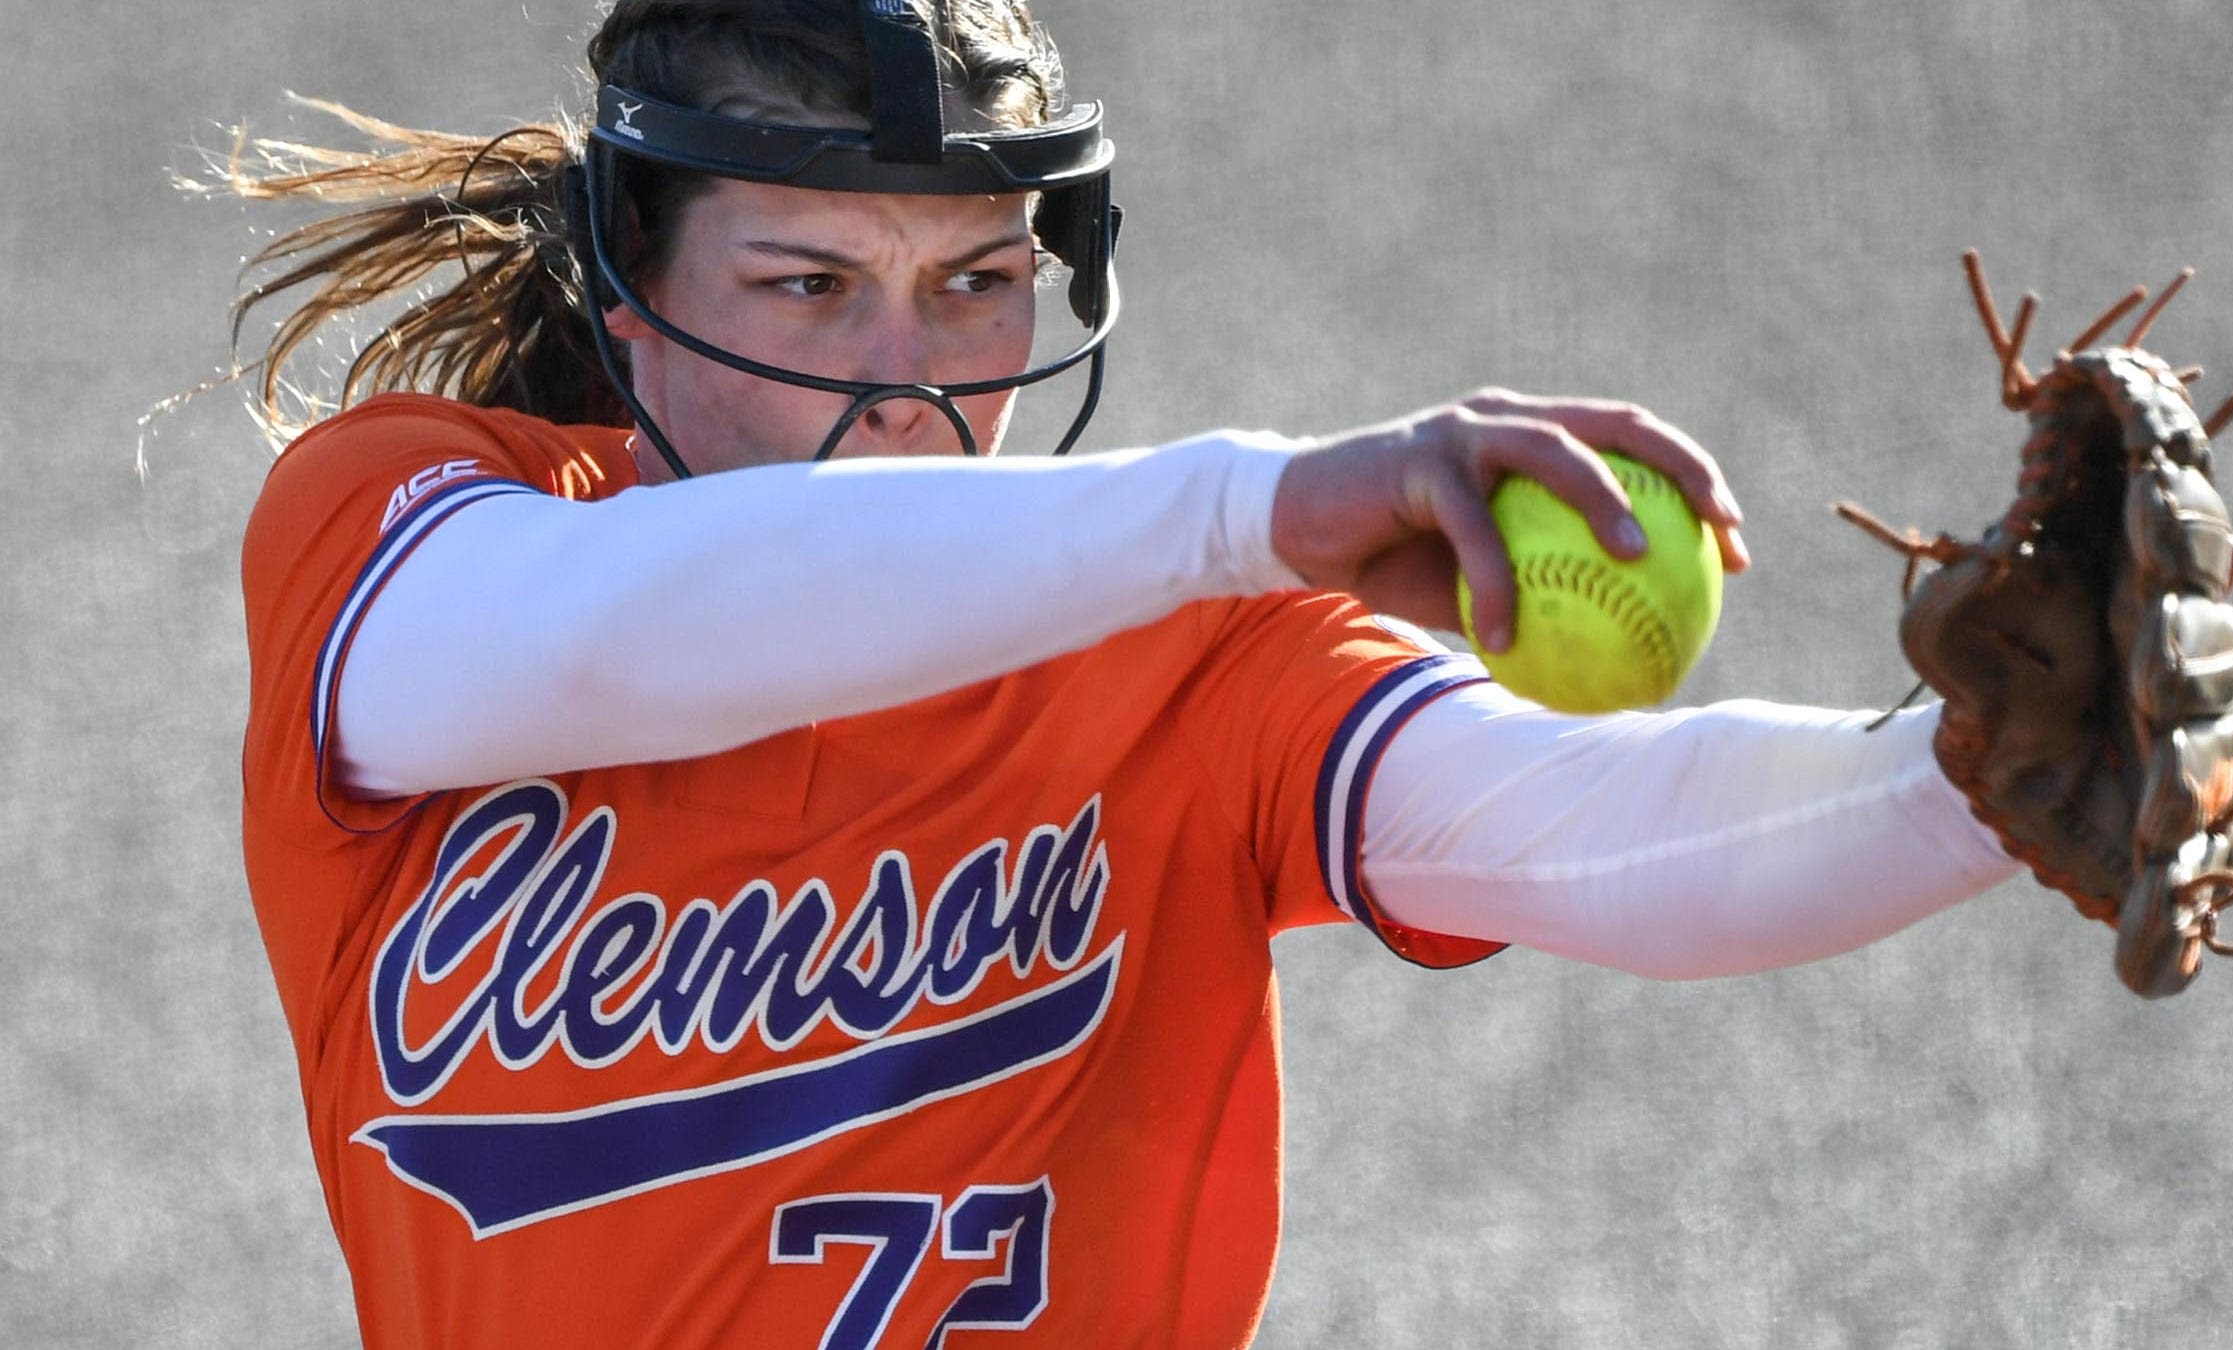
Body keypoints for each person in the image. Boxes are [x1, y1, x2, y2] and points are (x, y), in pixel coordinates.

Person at [220, 1, 2021, 1345]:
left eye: (981, 281)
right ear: (632, 279)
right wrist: (1256, 503)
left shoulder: (1176, 636)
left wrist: (1975, 784)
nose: (911, 378)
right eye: (808, 286)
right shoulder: (407, 530)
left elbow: (1608, 829)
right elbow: (620, 630)